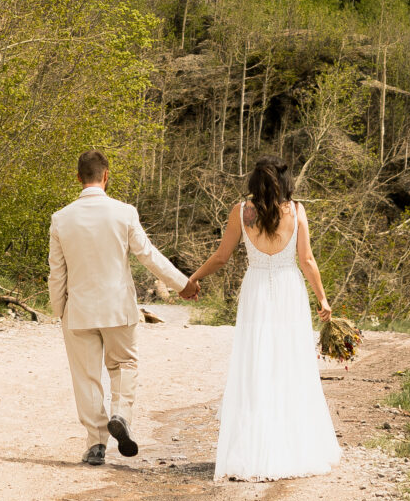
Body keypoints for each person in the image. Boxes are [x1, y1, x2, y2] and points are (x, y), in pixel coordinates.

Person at [181, 157, 342, 482]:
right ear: (285, 182)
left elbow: (221, 256)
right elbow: (307, 260)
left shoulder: (243, 212)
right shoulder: (295, 211)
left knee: (255, 365)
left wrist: (193, 278)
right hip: (288, 290)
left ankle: (251, 450)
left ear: (255, 183)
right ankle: (294, 447)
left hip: (255, 291)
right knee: (290, 364)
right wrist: (322, 299)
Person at [48, 149, 189, 465]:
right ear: (106, 176)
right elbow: (148, 256)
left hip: (78, 310)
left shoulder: (61, 218)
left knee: (86, 377)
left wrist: (59, 310)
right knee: (124, 364)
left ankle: (96, 443)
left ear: (78, 177)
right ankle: (121, 414)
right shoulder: (124, 213)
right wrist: (183, 284)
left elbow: (57, 272)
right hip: (118, 307)